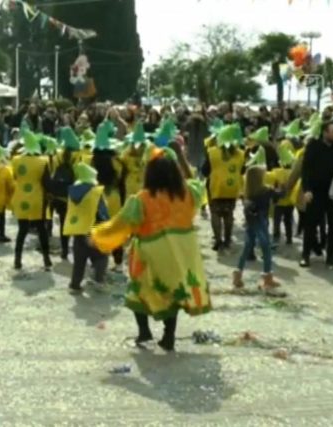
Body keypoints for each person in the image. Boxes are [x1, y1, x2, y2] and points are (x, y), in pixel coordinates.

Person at [90, 148, 211, 352]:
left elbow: (121, 224)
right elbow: (196, 182)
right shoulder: (188, 193)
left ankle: (144, 331)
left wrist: (98, 236)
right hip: (182, 251)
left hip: (150, 251)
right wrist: (182, 157)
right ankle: (168, 336)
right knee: (173, 292)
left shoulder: (142, 199)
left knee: (140, 290)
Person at [233, 165, 285, 296]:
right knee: (266, 248)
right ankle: (267, 279)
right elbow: (280, 195)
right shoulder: (266, 190)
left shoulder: (248, 192)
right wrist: (283, 186)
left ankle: (237, 275)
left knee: (247, 247)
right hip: (261, 220)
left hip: (251, 222)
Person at [299, 121, 333, 268]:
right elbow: (305, 169)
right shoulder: (313, 145)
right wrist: (306, 190)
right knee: (310, 224)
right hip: (316, 191)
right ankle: (306, 255)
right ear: (325, 132)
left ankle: (331, 256)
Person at [63, 163, 109, 293]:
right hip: (92, 229)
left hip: (78, 229)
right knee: (101, 255)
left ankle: (75, 285)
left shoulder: (73, 190)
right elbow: (102, 212)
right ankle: (99, 281)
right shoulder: (95, 192)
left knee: (80, 258)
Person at [11, 127, 52, 271]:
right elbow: (47, 183)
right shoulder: (42, 161)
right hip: (37, 198)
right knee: (41, 229)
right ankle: (46, 259)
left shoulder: (16, 160)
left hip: (21, 197)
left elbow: (15, 177)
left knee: (22, 230)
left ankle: (17, 260)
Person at [202, 123, 245, 251]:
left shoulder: (212, 152)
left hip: (216, 187)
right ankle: (227, 240)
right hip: (232, 187)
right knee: (228, 214)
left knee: (215, 214)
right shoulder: (241, 154)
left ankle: (218, 241)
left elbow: (205, 171)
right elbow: (242, 171)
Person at [90, 120, 126, 269]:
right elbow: (122, 178)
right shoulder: (116, 160)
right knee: (116, 229)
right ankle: (118, 263)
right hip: (114, 196)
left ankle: (98, 261)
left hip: (98, 197)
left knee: (98, 228)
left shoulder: (91, 160)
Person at [47, 126, 81, 260]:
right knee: (75, 222)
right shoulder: (78, 155)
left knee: (62, 222)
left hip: (59, 194)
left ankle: (64, 250)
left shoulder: (58, 154)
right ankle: (77, 249)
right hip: (72, 194)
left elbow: (53, 171)